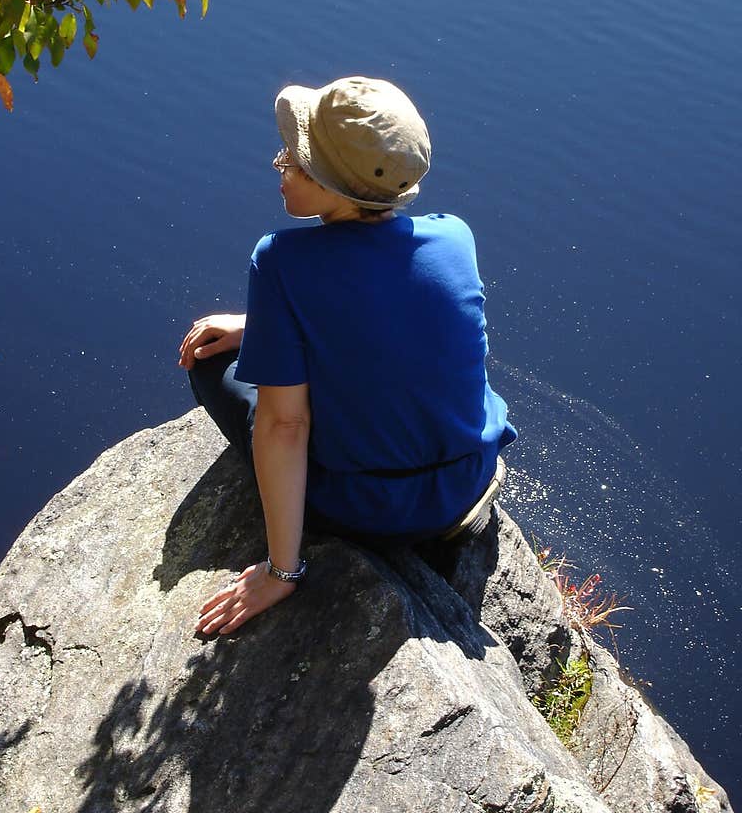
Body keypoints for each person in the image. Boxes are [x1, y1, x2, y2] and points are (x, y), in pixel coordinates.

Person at [179, 76, 516, 636]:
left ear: (331, 186)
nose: (280, 163)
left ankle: (319, 544)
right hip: (466, 487)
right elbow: (386, 314)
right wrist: (262, 327)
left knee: (213, 366)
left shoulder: (282, 260)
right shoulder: (455, 236)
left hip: (366, 513)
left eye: (296, 159)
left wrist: (281, 570)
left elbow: (285, 425)